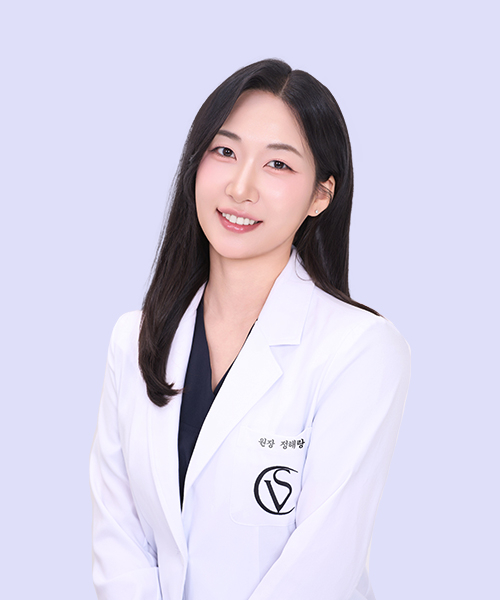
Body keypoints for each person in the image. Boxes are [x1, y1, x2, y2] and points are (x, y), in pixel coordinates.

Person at [90, 58, 411, 600]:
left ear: (321, 195)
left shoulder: (361, 350)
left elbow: (322, 567)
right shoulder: (135, 339)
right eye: (225, 152)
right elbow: (119, 540)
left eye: (278, 164)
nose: (241, 187)